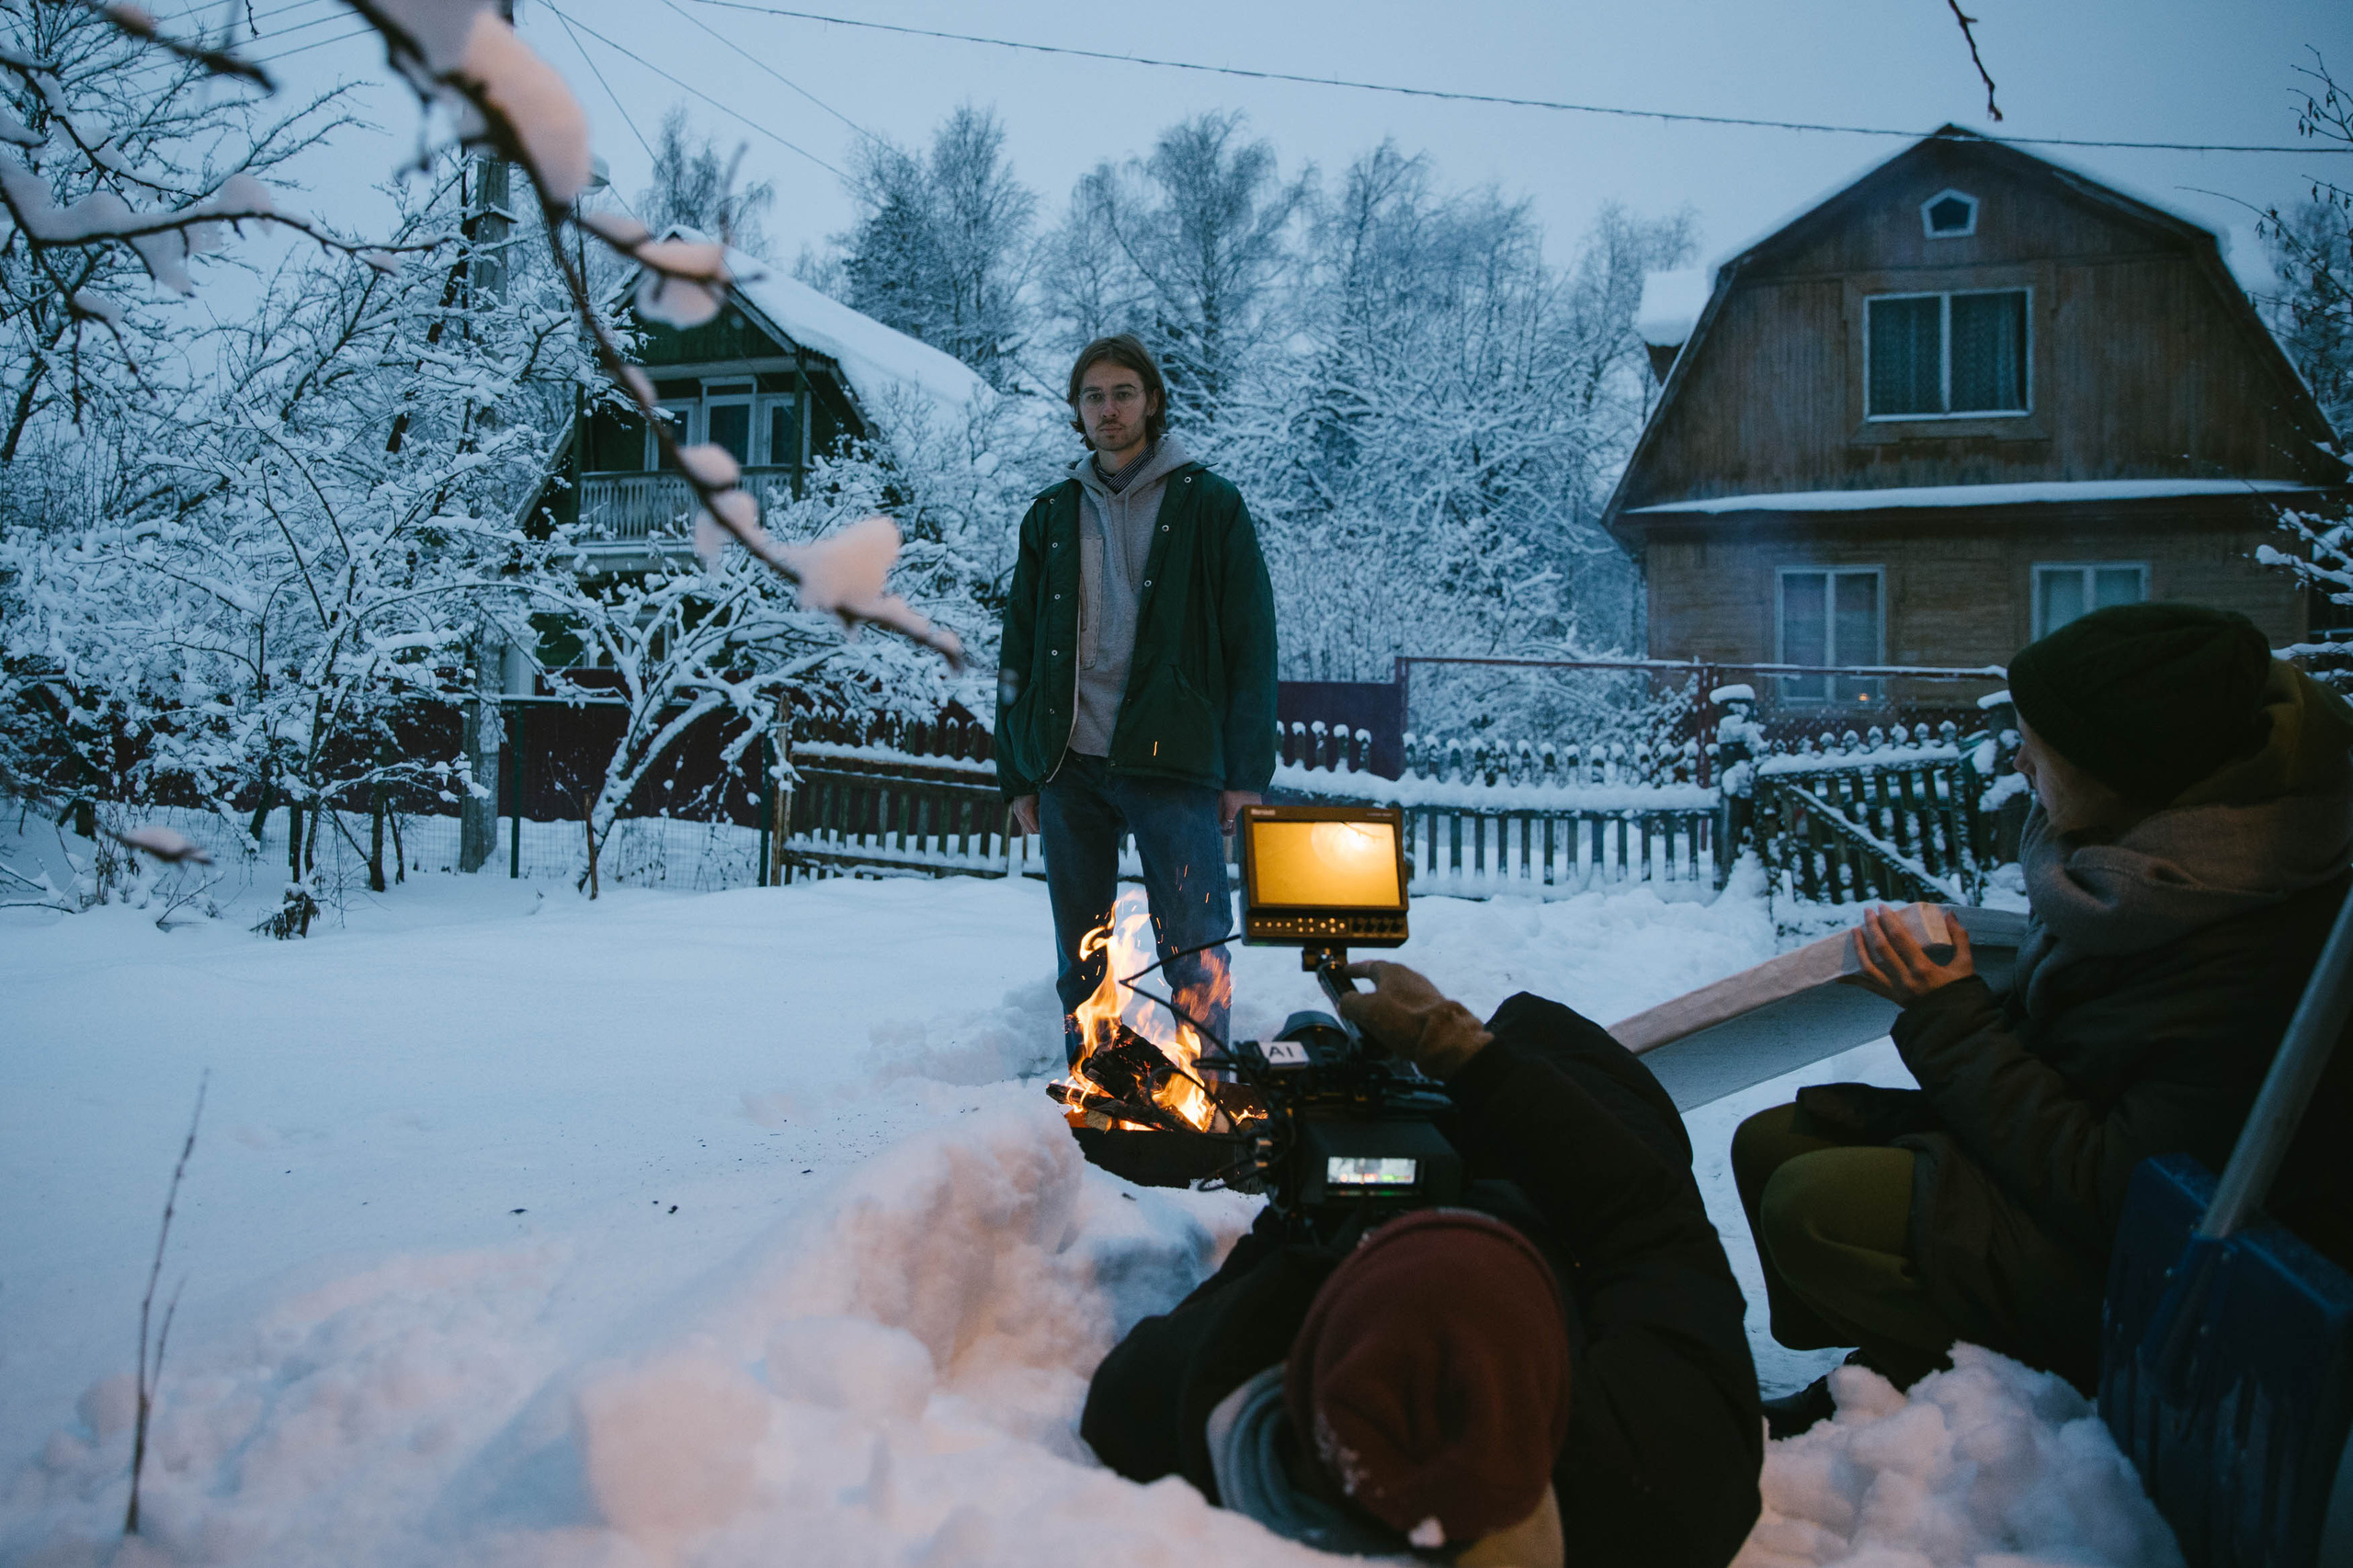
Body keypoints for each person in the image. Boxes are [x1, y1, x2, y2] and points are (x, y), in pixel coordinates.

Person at [1733, 602, 2353, 1436]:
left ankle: (2008, 1403)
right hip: (2084, 1184)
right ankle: (1891, 1362)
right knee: (1770, 1144)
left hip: (2168, 1280)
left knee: (1813, 1203)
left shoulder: (2250, 943)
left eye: (2040, 744)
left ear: (2123, 768)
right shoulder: (2142, 865)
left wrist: (1948, 1014)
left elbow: (2118, 1196)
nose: (2018, 758)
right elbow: (2084, 1050)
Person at [1082, 965, 1764, 1568]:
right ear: (1552, 1374)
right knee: (1542, 1031)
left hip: (1434, 1248)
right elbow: (1648, 1218)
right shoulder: (1661, 1489)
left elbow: (1212, 1324)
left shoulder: (1184, 1406)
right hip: (1556, 1218)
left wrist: (1305, 1187)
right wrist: (1468, 1055)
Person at [995, 335, 1278, 1059]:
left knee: (1195, 949)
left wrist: (1245, 776)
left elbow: (1252, 644)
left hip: (1173, 761)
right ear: (1077, 411)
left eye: (1123, 393)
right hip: (1070, 763)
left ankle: (1207, 1090)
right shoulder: (1052, 516)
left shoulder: (1210, 505)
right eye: (1093, 396)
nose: (1109, 409)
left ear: (1151, 400)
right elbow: (1018, 653)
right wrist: (1019, 773)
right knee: (1081, 960)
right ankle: (1091, 1093)